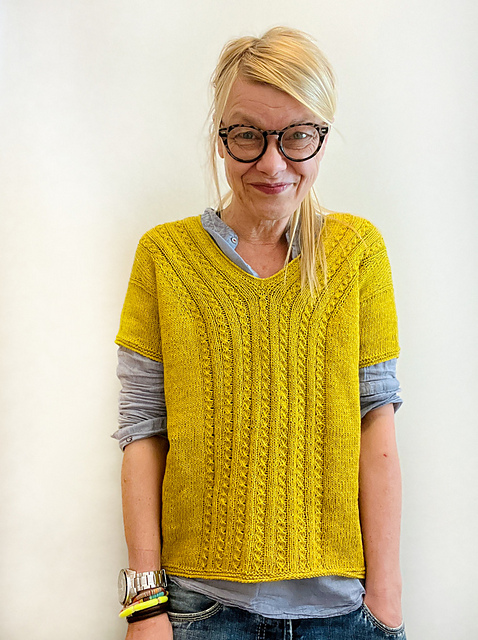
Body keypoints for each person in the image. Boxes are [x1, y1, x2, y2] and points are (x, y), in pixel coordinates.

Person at [113, 26, 406, 640]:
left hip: (344, 615)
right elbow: (142, 433)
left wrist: (387, 600)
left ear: (322, 134)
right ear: (220, 137)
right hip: (199, 611)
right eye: (247, 135)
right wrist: (145, 607)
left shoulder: (358, 253)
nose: (272, 164)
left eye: (297, 135)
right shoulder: (164, 259)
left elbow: (376, 425)